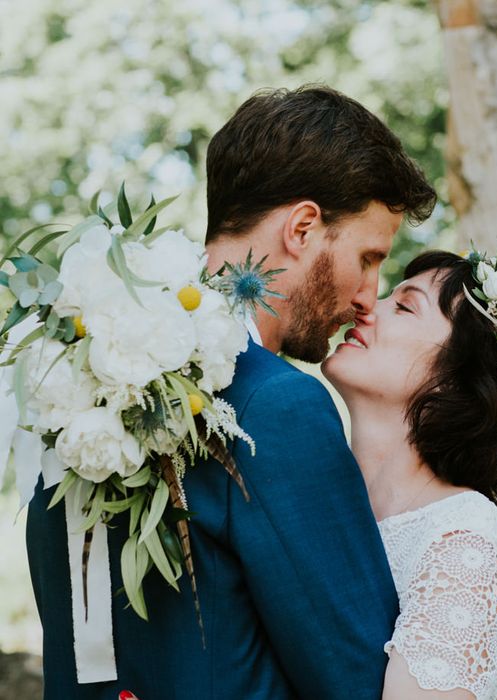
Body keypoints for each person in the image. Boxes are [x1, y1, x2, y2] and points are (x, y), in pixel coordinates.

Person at [26, 85, 436, 699]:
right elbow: (354, 675)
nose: (366, 297)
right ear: (302, 228)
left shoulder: (81, 378)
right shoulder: (278, 406)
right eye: (368, 256)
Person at [322, 250, 497, 699]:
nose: (366, 306)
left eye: (403, 306)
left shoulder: (465, 541)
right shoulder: (314, 499)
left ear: (457, 379)